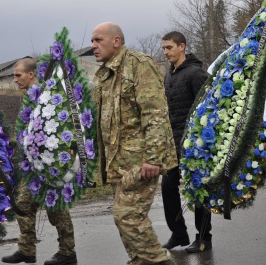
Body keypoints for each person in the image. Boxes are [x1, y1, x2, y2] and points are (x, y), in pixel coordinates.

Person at [91, 22, 177, 265]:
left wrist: (153, 158)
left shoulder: (138, 65)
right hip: (120, 162)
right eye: (92, 41)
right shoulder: (106, 73)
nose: (93, 46)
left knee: (128, 216)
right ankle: (140, 261)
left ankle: (159, 261)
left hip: (141, 160)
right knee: (126, 220)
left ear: (116, 41)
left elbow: (155, 113)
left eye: (98, 40)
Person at [1, 58, 77, 265]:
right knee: (23, 205)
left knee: (57, 209)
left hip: (50, 165)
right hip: (32, 165)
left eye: (18, 75)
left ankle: (68, 252)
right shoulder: (29, 98)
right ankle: (27, 250)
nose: (15, 80)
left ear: (31, 74)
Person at [161, 31, 212, 253]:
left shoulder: (195, 73)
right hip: (173, 142)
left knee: (198, 190)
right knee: (168, 187)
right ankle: (179, 234)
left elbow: (210, 107)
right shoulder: (169, 75)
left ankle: (203, 238)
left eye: (169, 48)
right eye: (163, 48)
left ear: (182, 47)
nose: (165, 52)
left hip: (194, 144)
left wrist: (201, 140)